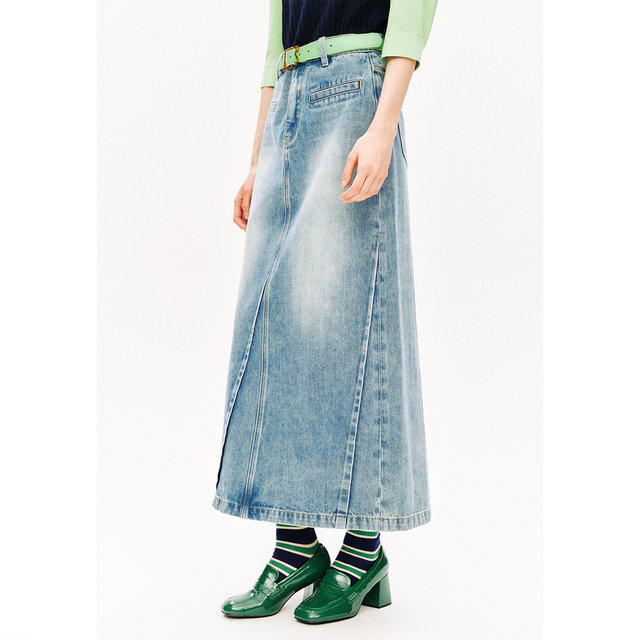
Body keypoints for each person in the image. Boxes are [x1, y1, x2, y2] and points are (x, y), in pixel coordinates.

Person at [213, 0, 438, 624]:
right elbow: (275, 40)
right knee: (276, 327)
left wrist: (383, 124)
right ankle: (295, 547)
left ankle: (364, 551)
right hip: (289, 99)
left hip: (355, 94)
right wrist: (258, 159)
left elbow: (411, 14)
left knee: (359, 319)